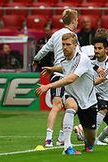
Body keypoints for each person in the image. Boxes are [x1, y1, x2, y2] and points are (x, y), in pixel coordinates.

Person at [35, 33, 98, 155]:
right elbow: (64, 67)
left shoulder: (82, 59)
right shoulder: (64, 60)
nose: (65, 47)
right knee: (70, 105)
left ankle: (84, 135)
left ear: (75, 46)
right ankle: (68, 147)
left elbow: (70, 79)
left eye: (68, 44)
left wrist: (48, 86)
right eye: (63, 44)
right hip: (72, 95)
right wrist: (52, 69)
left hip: (88, 101)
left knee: (90, 141)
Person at [32, 9, 79, 147]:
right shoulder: (72, 37)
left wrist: (36, 59)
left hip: (57, 74)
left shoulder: (56, 34)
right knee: (68, 107)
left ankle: (50, 138)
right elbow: (79, 55)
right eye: (76, 20)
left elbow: (45, 49)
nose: (77, 22)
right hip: (66, 73)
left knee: (58, 106)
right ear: (73, 21)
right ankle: (60, 137)